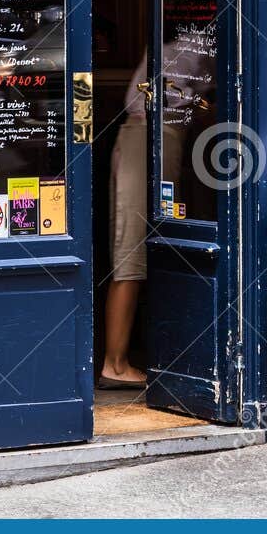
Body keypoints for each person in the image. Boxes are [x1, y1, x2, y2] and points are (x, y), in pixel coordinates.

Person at [98, 57, 149, 390]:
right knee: (130, 252)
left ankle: (117, 361)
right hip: (144, 138)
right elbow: (137, 97)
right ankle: (114, 364)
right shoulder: (185, 44)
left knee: (134, 251)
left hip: (147, 138)